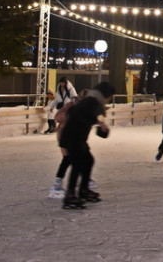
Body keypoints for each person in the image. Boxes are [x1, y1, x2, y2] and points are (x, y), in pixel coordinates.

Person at [59, 82, 114, 210]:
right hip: (73, 137)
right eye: (110, 96)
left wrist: (99, 124)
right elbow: (78, 115)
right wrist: (98, 122)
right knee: (78, 164)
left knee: (88, 161)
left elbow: (80, 115)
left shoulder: (92, 101)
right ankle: (70, 195)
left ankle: (83, 190)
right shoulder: (91, 101)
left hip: (77, 137)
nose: (110, 99)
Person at [48, 89, 87, 198]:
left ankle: (83, 179)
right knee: (68, 158)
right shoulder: (72, 106)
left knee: (79, 157)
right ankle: (58, 184)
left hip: (73, 135)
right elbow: (58, 117)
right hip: (65, 135)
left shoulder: (81, 107)